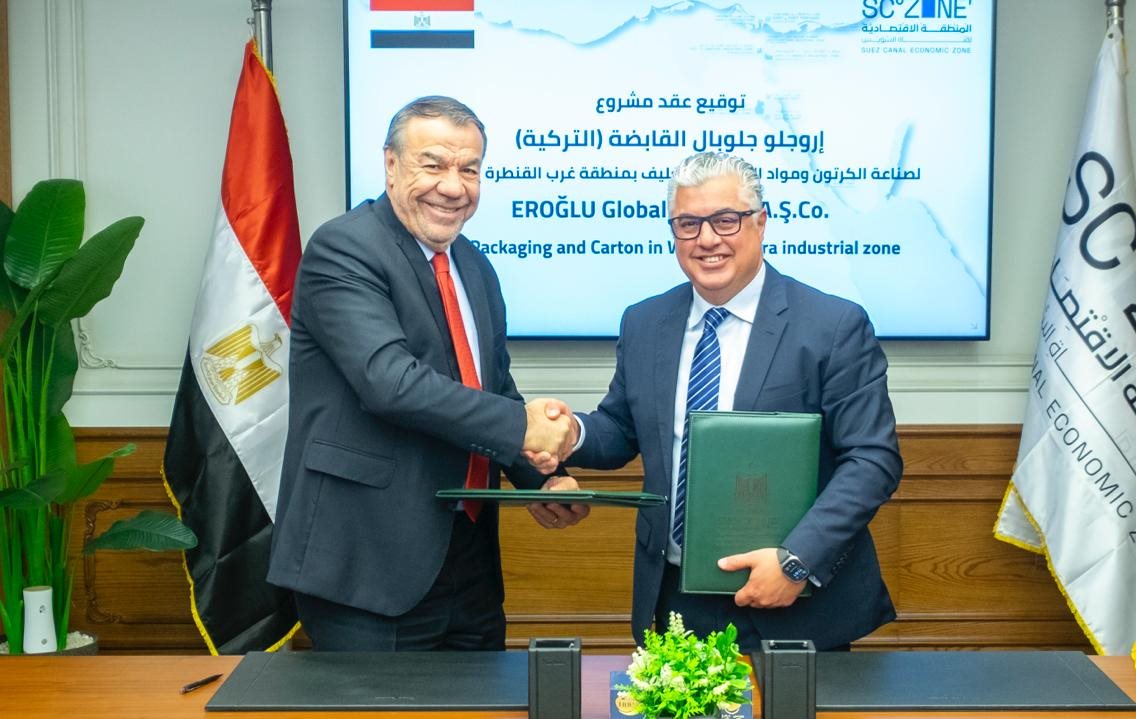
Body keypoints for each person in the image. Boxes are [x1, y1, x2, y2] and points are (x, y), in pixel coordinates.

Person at [535, 152, 902, 650]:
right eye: (688, 224)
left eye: (726, 220)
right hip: (675, 599)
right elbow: (622, 429)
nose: (707, 239)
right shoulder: (645, 322)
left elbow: (872, 460)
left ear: (761, 222)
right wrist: (570, 432)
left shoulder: (832, 325)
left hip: (793, 604)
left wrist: (796, 562)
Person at [268, 96, 586, 652]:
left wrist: (541, 478)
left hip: (469, 563)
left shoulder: (475, 266)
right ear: (391, 165)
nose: (453, 187)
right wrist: (524, 427)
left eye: (470, 170)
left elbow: (492, 390)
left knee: (482, 700)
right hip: (367, 564)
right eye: (433, 164)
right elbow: (390, 383)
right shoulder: (344, 248)